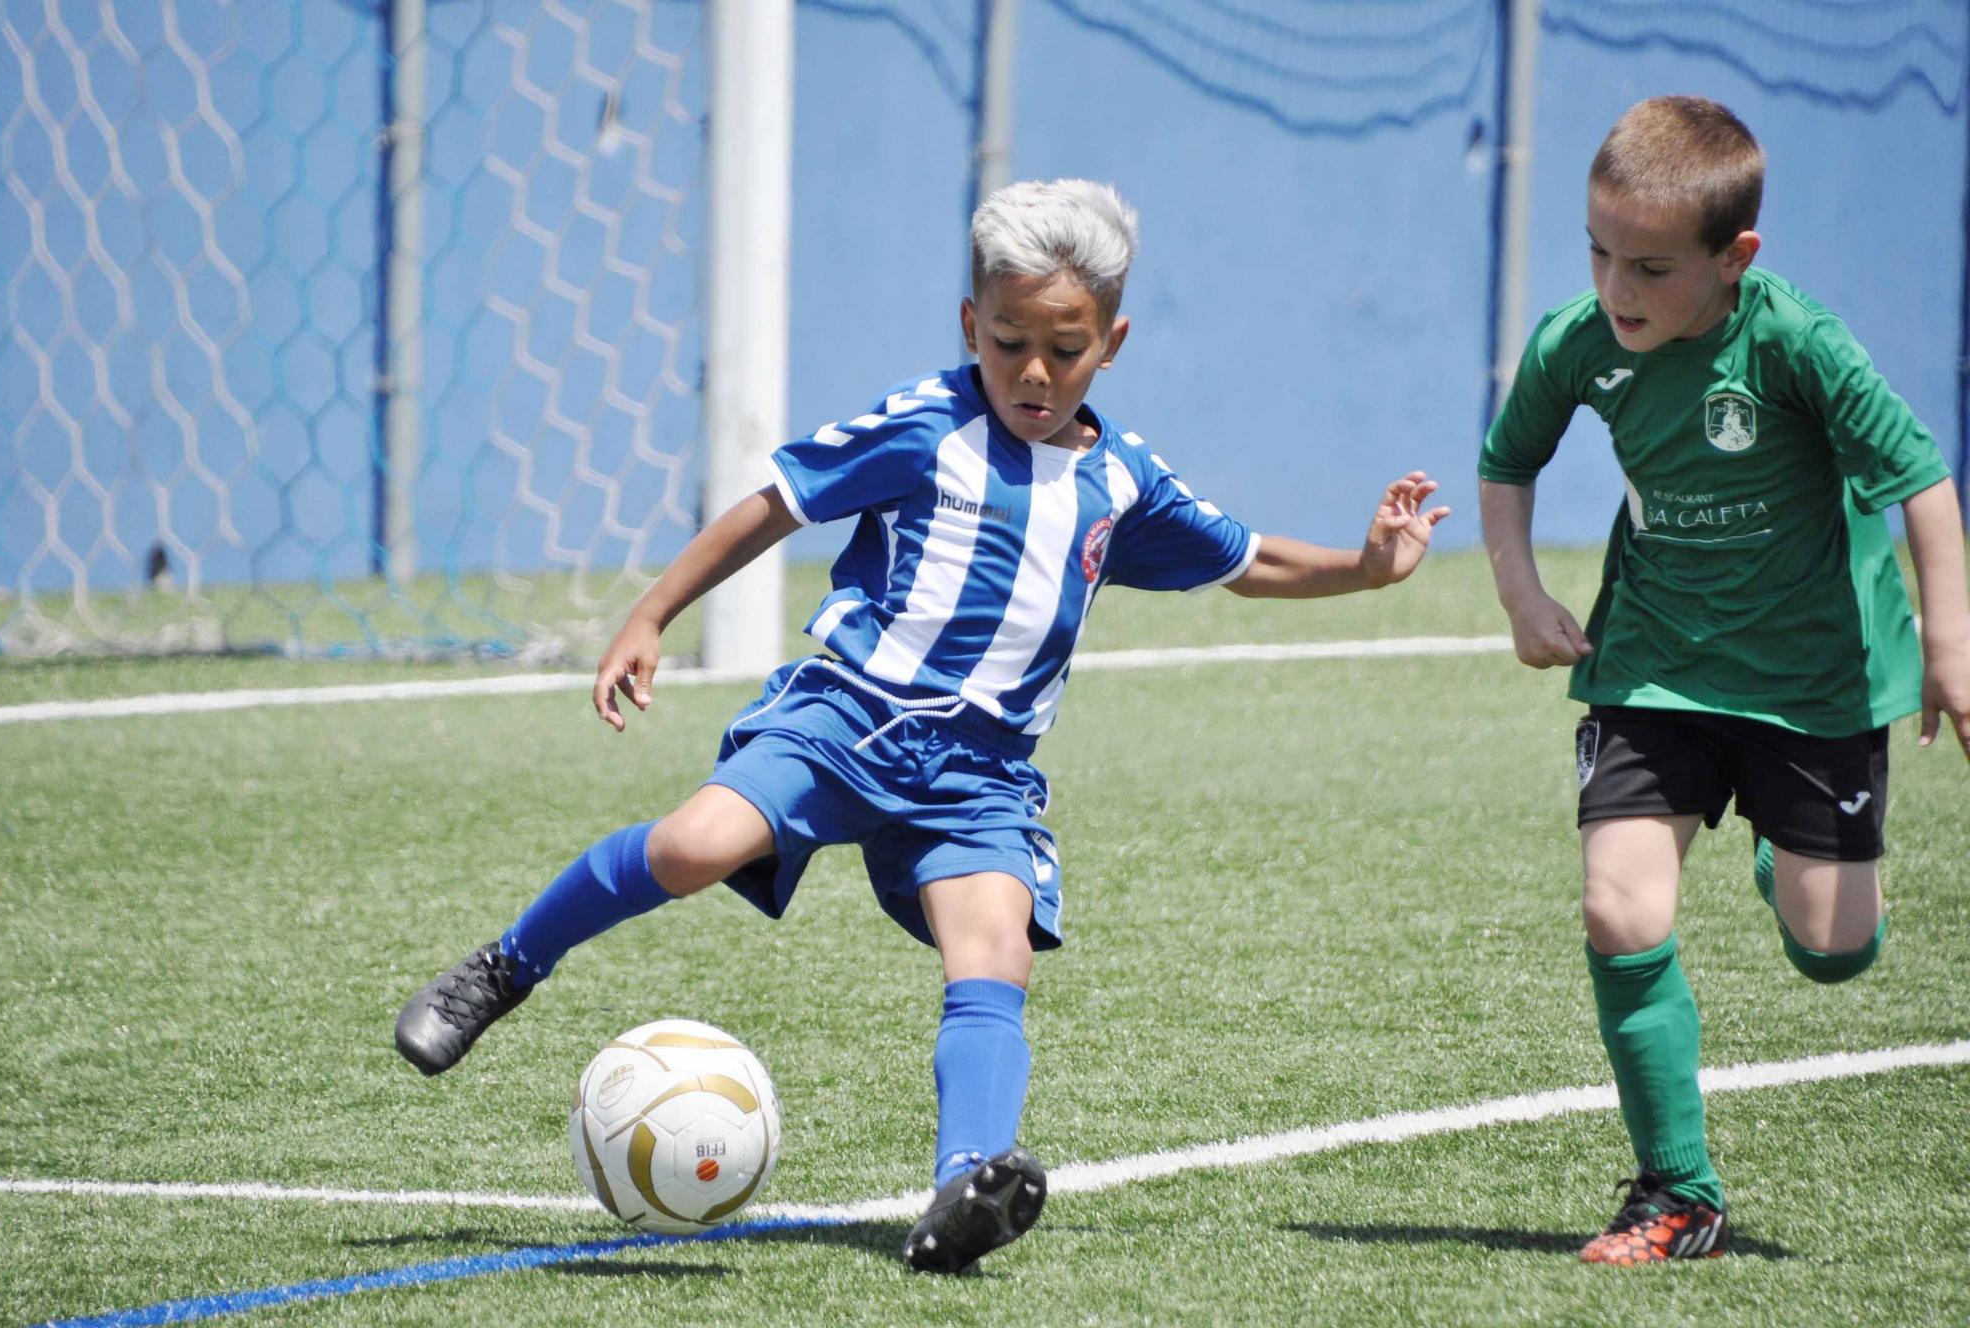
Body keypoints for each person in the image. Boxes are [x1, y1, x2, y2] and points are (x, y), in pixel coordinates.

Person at [397, 178, 1451, 1273]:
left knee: (993, 948)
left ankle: (969, 1183)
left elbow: (1250, 559)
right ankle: (505, 966)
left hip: (980, 774)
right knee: (689, 846)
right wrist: (651, 611)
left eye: (1064, 348)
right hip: (846, 719)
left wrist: (1366, 567)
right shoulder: (922, 424)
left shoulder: (1122, 482)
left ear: (1113, 342)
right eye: (1007, 344)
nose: (1033, 373)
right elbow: (772, 502)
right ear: (968, 326)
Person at [1478, 96, 1970, 1264]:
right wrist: (1517, 591)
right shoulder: (1574, 344)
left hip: (1814, 683)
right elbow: (1506, 465)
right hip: (1651, 662)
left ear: (1732, 255)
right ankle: (1674, 1192)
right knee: (1618, 907)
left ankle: (1780, 851)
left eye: (1648, 266)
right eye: (1597, 252)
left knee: (1831, 947)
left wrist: (1947, 649)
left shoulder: (1796, 342)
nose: (1615, 288)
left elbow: (1922, 482)